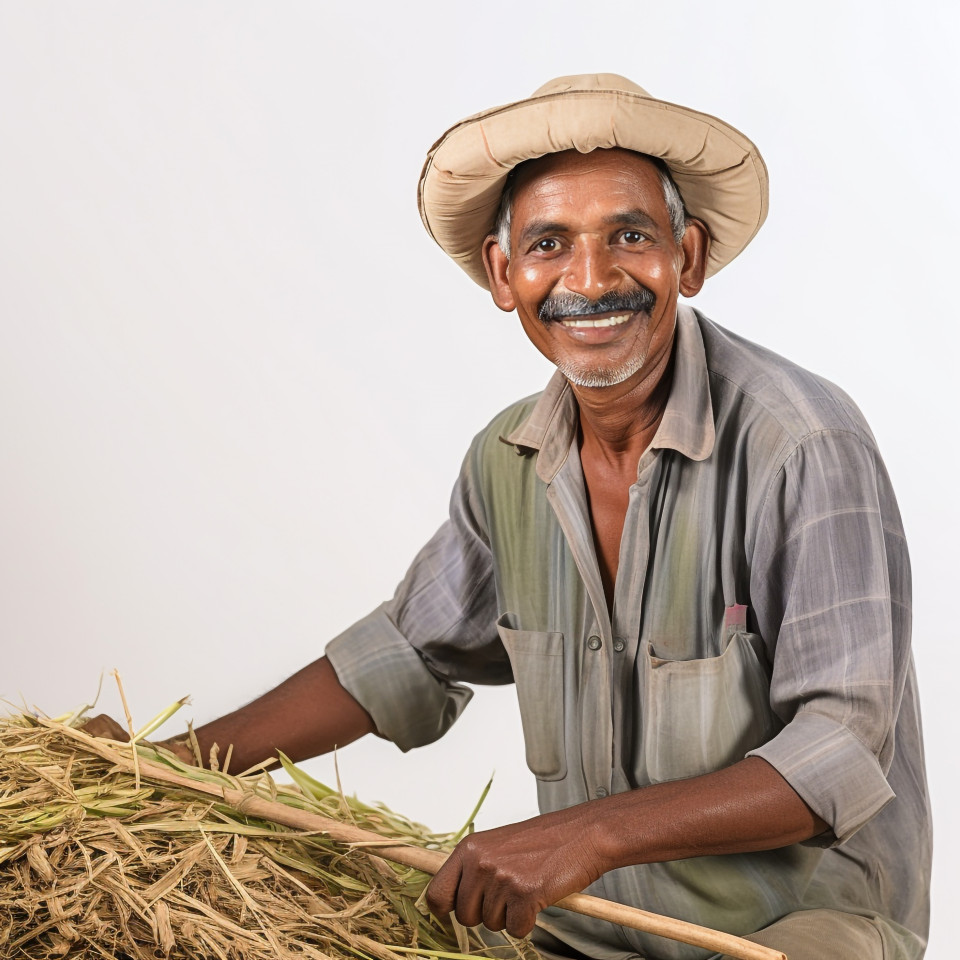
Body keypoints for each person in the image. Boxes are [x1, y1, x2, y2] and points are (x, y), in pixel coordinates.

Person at [85, 75, 931, 960]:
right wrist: (165, 766)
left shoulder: (802, 444)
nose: (591, 279)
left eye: (630, 236)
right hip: (592, 922)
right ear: (504, 274)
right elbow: (406, 655)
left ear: (689, 256)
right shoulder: (509, 462)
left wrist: (585, 836)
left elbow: (839, 753)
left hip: (800, 928)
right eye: (550, 244)